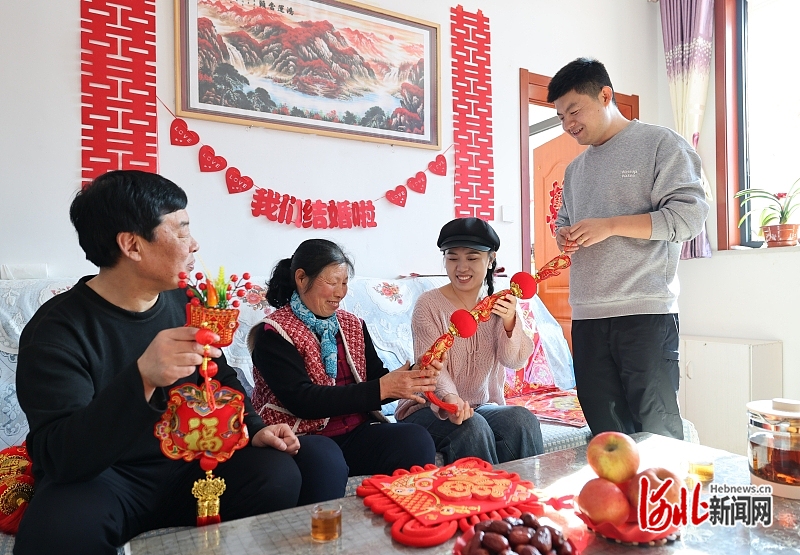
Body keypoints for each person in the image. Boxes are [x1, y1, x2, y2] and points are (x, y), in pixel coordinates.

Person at [14, 170, 344, 555]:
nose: (194, 244)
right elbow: (60, 455)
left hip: (192, 464)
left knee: (291, 466)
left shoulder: (186, 302)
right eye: (182, 231)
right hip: (106, 478)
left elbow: (221, 376)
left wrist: (254, 428)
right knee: (58, 529)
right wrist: (142, 378)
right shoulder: (57, 329)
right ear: (132, 245)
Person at [546, 58, 709, 439]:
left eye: (574, 111)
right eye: (560, 117)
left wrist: (611, 226)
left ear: (605, 96)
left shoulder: (660, 144)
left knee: (657, 431)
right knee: (607, 436)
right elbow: (562, 220)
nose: (568, 124)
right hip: (587, 315)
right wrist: (563, 235)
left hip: (644, 312)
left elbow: (689, 218)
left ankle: (666, 483)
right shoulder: (575, 170)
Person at [249, 239, 440, 478]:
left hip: (356, 433)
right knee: (326, 460)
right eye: (332, 282)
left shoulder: (353, 325)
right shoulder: (274, 333)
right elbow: (302, 400)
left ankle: (408, 501)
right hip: (302, 436)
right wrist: (381, 388)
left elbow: (376, 378)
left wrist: (413, 375)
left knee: (415, 439)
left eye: (345, 282)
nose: (340, 292)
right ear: (301, 278)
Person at [396, 218, 544, 465]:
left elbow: (514, 361)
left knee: (521, 420)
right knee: (472, 426)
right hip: (427, 407)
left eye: (472, 258)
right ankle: (484, 491)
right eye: (452, 258)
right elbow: (431, 366)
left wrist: (510, 322)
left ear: (491, 259)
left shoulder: (498, 305)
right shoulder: (428, 305)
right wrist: (449, 399)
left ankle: (525, 489)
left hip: (479, 405)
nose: (461, 267)